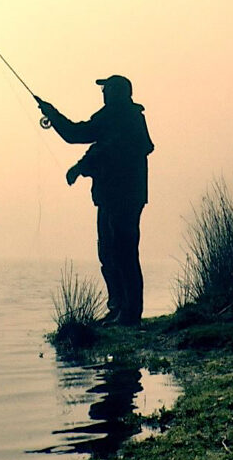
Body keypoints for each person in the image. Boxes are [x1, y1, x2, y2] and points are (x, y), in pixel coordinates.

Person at [35, 76, 154, 326]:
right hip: (114, 197)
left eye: (106, 88)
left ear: (117, 92)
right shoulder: (116, 117)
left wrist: (80, 166)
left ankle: (129, 314)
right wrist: (53, 114)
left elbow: (83, 137)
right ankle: (118, 308)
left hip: (122, 197)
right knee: (109, 254)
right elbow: (86, 139)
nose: (102, 92)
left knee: (123, 254)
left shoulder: (123, 118)